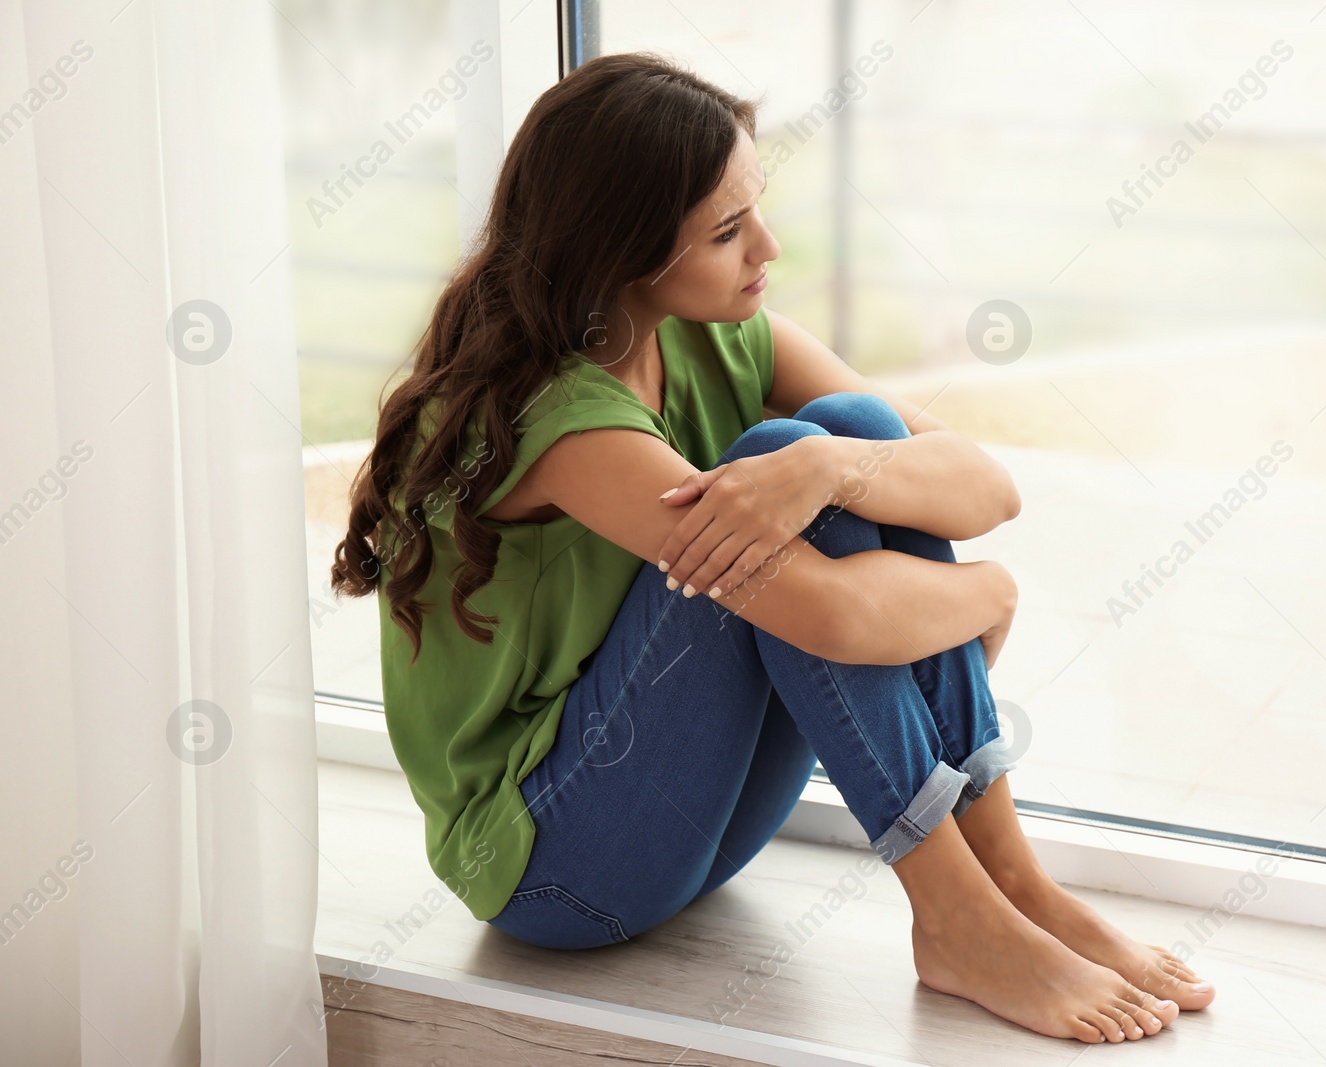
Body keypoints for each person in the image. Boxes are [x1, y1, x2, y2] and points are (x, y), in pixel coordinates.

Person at [330, 50, 1213, 1044]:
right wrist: (993, 595)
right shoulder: (567, 423)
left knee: (839, 433)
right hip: (559, 868)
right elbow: (833, 615)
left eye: (755, 207)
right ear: (622, 253)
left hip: (696, 822)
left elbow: (982, 484)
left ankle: (1008, 878)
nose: (768, 245)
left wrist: (836, 471)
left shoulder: (716, 331)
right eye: (725, 231)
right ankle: (958, 914)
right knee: (785, 465)